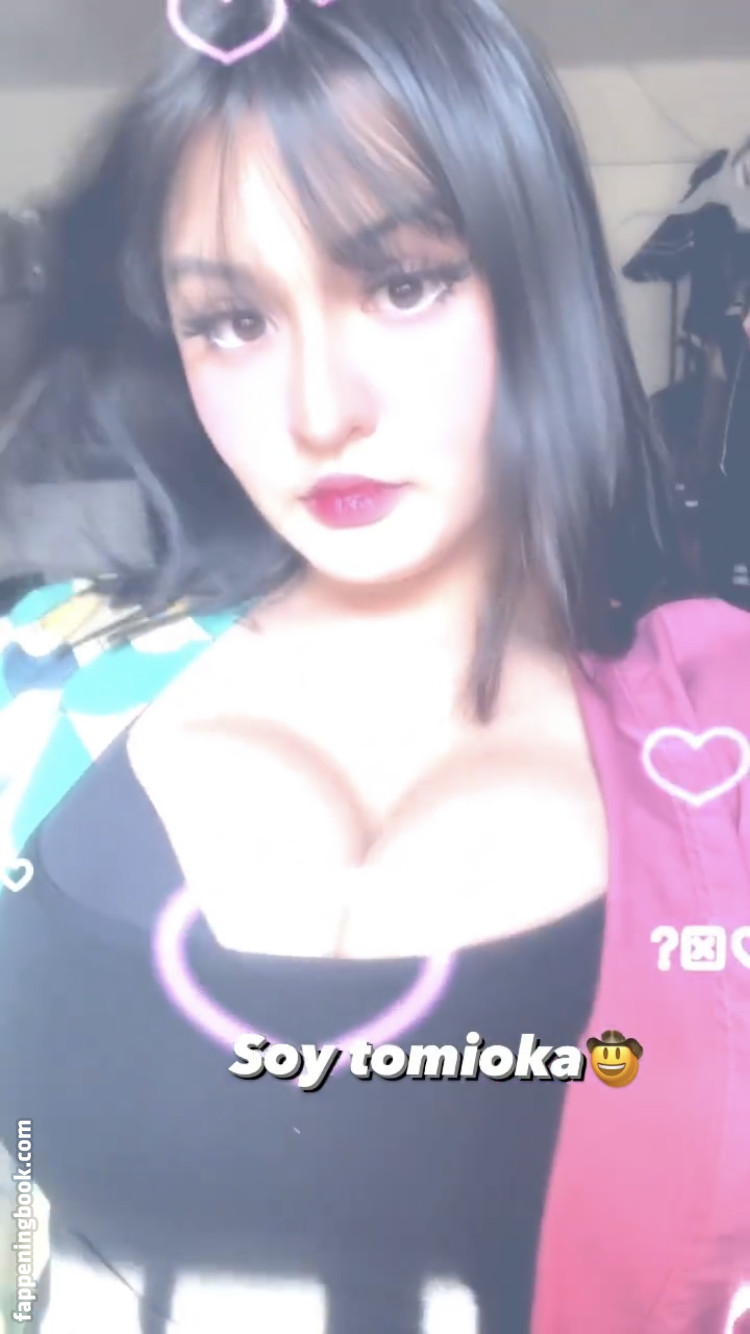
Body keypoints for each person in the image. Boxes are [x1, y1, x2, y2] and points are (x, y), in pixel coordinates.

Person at [0, 1, 748, 1330]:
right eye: (232, 318)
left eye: (404, 283)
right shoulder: (38, 696)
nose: (318, 411)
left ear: (540, 281)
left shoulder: (720, 759)